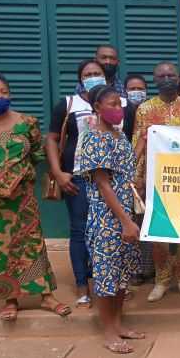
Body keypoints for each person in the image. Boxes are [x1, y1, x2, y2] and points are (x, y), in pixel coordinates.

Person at [0, 71, 69, 321]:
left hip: (22, 196)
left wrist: (33, 179)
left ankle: (46, 296)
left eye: (4, 92)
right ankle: (10, 299)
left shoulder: (27, 122)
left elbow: (37, 155)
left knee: (31, 243)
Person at [77, 85, 142, 354]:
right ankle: (108, 332)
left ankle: (118, 324)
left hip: (125, 211)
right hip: (107, 217)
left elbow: (126, 169)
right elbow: (104, 185)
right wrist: (125, 221)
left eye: (120, 104)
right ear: (97, 108)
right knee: (106, 277)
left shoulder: (118, 135)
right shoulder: (94, 139)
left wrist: (144, 143)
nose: (118, 109)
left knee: (121, 276)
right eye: (112, 104)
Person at [133, 62, 180, 302]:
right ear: (154, 79)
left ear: (178, 78)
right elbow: (137, 144)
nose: (167, 78)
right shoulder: (144, 109)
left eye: (171, 75)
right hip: (155, 180)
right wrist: (137, 178)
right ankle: (161, 280)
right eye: (161, 75)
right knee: (159, 232)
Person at [46, 59, 107, 308]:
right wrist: (58, 173)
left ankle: (108, 284)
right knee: (79, 231)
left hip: (110, 178)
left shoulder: (117, 103)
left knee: (108, 232)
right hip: (78, 178)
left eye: (98, 73)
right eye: (88, 74)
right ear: (80, 78)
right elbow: (51, 139)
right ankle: (82, 285)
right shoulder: (69, 104)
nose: (93, 76)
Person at [122, 74, 153, 287]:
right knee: (133, 222)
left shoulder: (152, 110)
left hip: (154, 172)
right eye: (132, 88)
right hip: (129, 174)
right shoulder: (121, 113)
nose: (136, 91)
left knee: (150, 222)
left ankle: (151, 268)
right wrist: (135, 176)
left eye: (140, 88)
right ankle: (136, 269)